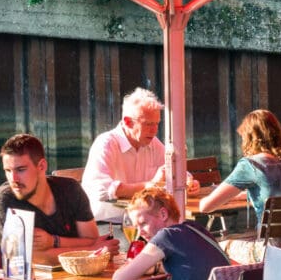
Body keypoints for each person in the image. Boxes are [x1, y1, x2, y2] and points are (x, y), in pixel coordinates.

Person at [0, 133, 116, 280]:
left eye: (20, 170)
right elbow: (30, 260)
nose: (14, 179)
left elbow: (91, 238)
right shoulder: (4, 201)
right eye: (8, 171)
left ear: (41, 166)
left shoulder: (70, 190)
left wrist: (53, 241)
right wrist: (88, 249)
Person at [80, 87, 196, 223]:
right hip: (108, 224)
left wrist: (189, 182)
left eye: (157, 124)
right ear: (128, 122)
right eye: (148, 124)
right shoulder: (106, 143)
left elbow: (176, 171)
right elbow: (101, 189)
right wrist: (151, 186)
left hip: (145, 223)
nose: (154, 130)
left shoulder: (152, 142)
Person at [197, 108, 281, 218]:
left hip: (270, 239)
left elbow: (205, 207)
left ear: (249, 138)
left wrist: (202, 200)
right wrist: (244, 195)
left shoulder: (251, 165)